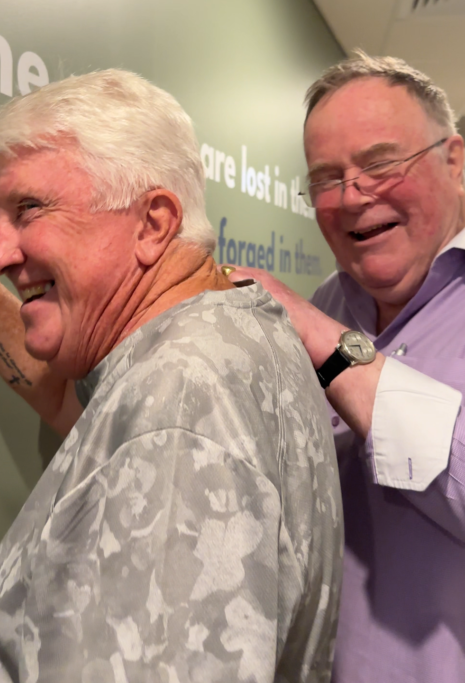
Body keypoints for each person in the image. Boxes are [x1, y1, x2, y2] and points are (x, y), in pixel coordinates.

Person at [0, 69, 343, 682]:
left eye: (29, 210)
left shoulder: (180, 402)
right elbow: (81, 406)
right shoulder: (222, 335)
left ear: (153, 224)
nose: (0, 252)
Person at [223, 53, 465, 682]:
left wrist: (324, 342)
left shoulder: (316, 323)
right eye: (326, 178)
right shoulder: (331, 302)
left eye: (381, 164)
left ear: (455, 161)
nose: (352, 196)